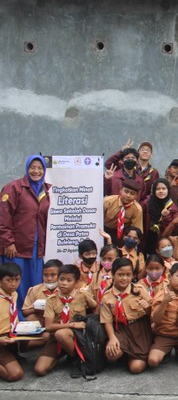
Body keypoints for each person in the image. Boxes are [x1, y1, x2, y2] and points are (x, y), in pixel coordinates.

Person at [0, 155, 50, 317]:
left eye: (40, 168)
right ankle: (17, 320)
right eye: (33, 167)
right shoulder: (13, 188)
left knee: (35, 285)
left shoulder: (45, 190)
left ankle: (33, 319)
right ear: (27, 169)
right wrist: (8, 242)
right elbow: (3, 217)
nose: (36, 171)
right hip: (16, 248)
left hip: (36, 248)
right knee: (16, 284)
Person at [34, 264, 97, 376]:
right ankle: (69, 355)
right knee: (40, 370)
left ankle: (76, 358)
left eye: (69, 280)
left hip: (77, 336)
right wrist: (72, 325)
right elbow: (48, 327)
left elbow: (95, 307)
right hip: (57, 338)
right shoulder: (51, 300)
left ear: (76, 283)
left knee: (61, 334)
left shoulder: (82, 295)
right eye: (61, 279)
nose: (64, 283)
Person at [101, 258, 153, 374]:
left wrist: (147, 308)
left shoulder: (138, 290)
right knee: (111, 353)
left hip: (140, 329)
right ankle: (124, 353)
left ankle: (130, 356)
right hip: (121, 329)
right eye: (120, 274)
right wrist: (112, 338)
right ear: (113, 274)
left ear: (132, 275)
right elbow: (107, 320)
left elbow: (152, 313)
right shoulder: (107, 296)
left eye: (128, 274)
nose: (124, 278)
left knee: (136, 368)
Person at [148, 262, 178, 369]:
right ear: (169, 277)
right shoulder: (161, 295)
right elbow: (155, 320)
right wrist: (164, 302)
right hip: (164, 334)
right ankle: (166, 352)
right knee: (153, 361)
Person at [0, 263, 24, 382]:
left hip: (10, 336)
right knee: (15, 374)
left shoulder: (13, 294)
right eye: (8, 280)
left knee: (44, 336)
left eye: (17, 280)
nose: (13, 284)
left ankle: (13, 353)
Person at [143, 178, 178, 253]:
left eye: (164, 189)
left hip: (161, 242)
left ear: (168, 190)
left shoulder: (172, 207)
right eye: (158, 189)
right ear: (153, 190)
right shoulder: (147, 203)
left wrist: (165, 217)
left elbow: (173, 230)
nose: (161, 191)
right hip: (145, 239)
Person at [103, 179, 144, 245]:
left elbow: (137, 231)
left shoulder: (137, 209)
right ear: (120, 190)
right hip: (104, 229)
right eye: (126, 191)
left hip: (122, 234)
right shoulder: (108, 201)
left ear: (136, 196)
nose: (128, 195)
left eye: (132, 193)